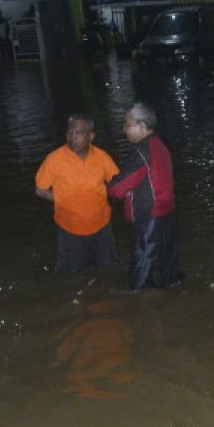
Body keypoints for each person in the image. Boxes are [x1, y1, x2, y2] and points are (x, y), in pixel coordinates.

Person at [109, 102, 184, 289]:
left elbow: (118, 189)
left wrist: (106, 186)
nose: (124, 129)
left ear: (141, 126)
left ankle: (139, 306)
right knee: (168, 270)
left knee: (143, 270)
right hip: (168, 214)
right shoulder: (159, 145)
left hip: (150, 217)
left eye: (127, 124)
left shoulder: (141, 152)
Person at [35, 113, 120, 272]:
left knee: (107, 271)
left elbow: (117, 184)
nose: (72, 137)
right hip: (69, 230)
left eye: (79, 133)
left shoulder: (102, 157)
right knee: (72, 276)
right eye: (69, 133)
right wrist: (62, 199)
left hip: (101, 227)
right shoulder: (54, 159)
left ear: (91, 136)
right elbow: (40, 190)